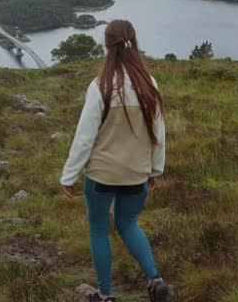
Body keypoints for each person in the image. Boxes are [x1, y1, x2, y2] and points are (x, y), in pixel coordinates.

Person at [60, 19, 171, 302]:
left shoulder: (100, 86)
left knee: (99, 229)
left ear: (107, 46)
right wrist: (155, 170)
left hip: (101, 175)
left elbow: (84, 138)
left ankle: (106, 295)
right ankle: (154, 279)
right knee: (128, 223)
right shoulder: (150, 84)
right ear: (134, 43)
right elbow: (158, 132)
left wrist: (69, 176)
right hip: (136, 173)